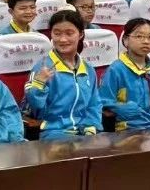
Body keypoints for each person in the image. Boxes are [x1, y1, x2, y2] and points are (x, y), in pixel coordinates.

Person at [23, 10, 104, 140]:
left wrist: (91, 126)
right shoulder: (42, 68)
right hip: (54, 133)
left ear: (81, 34)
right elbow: (35, 111)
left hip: (84, 132)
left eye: (69, 33)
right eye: (57, 33)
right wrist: (38, 85)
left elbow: (94, 104)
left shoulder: (88, 69)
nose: (62, 39)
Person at [99, 18, 150, 132]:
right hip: (128, 128)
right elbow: (103, 101)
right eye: (139, 36)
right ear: (126, 40)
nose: (146, 41)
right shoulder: (116, 69)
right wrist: (124, 108)